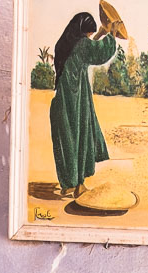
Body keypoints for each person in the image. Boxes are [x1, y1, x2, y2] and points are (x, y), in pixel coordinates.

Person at [49, 13, 117, 197]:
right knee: (79, 138)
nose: (88, 37)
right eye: (88, 34)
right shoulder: (82, 45)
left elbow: (85, 51)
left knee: (68, 140)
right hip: (76, 100)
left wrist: (99, 35)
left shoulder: (65, 44)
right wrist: (111, 34)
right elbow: (98, 53)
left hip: (63, 99)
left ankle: (68, 184)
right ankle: (77, 185)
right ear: (83, 33)